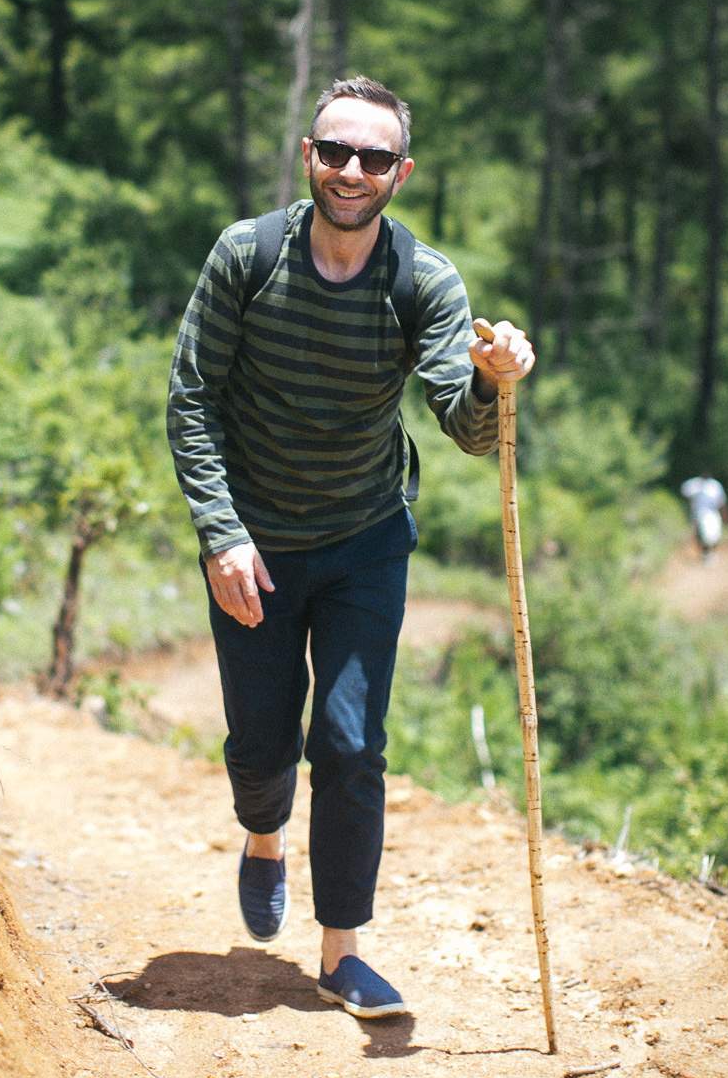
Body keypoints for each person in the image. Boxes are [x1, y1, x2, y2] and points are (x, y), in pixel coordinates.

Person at [166, 76, 534, 1020]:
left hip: (366, 538)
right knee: (261, 742)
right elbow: (191, 401)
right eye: (336, 152)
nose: (352, 171)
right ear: (308, 156)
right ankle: (261, 834)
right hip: (254, 540)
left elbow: (467, 425)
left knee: (351, 741)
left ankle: (342, 950)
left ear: (401, 174)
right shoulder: (247, 257)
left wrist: (496, 382)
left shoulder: (424, 281)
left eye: (374, 158)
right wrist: (222, 537)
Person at [680, 471, 728, 563]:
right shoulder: (695, 484)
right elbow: (684, 491)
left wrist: (725, 515)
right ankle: (705, 553)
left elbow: (721, 501)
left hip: (713, 513)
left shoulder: (715, 485)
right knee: (703, 535)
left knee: (714, 535)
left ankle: (710, 553)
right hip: (700, 514)